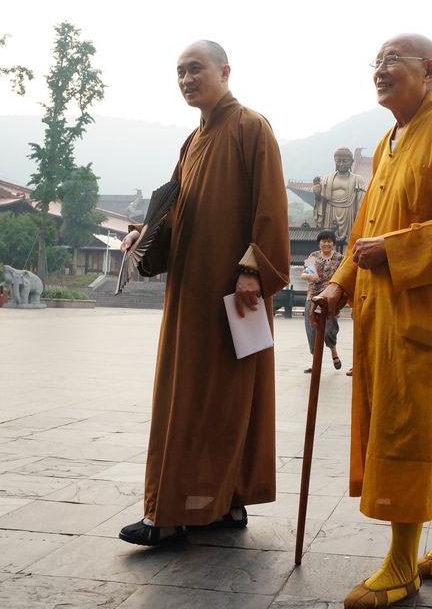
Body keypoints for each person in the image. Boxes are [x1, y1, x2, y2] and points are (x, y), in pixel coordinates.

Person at [316, 33, 432, 609]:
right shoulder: (388, 141)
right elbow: (364, 229)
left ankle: (401, 565)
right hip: (381, 314)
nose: (380, 70)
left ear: (430, 71)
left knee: (410, 428)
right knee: (413, 424)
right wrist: (339, 283)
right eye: (377, 61)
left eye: (393, 60)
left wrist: (392, 250)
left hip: (428, 315)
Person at [117, 40, 289, 546]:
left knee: (221, 398)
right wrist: (141, 238)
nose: (187, 79)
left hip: (234, 294)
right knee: (195, 397)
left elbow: (270, 207)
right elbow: (174, 215)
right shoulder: (192, 143)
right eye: (180, 73)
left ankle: (171, 512)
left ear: (225, 71)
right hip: (192, 298)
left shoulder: (251, 128)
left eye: (196, 69)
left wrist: (254, 271)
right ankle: (220, 504)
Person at [300, 229, 344, 371]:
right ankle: (315, 361)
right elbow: (306, 272)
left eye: (329, 241)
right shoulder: (313, 256)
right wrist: (308, 276)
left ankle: (333, 351)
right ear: (319, 243)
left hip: (330, 297)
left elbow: (344, 276)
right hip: (312, 296)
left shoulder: (340, 258)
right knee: (311, 327)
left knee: (330, 327)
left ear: (333, 243)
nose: (326, 244)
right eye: (323, 241)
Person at [313, 147, 367, 243]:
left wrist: (359, 221)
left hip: (348, 212)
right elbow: (321, 200)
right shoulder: (327, 178)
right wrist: (317, 194)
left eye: (345, 161)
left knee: (348, 241)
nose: (341, 164)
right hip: (330, 211)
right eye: (338, 161)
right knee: (328, 239)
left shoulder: (358, 179)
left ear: (351, 162)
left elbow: (361, 203)